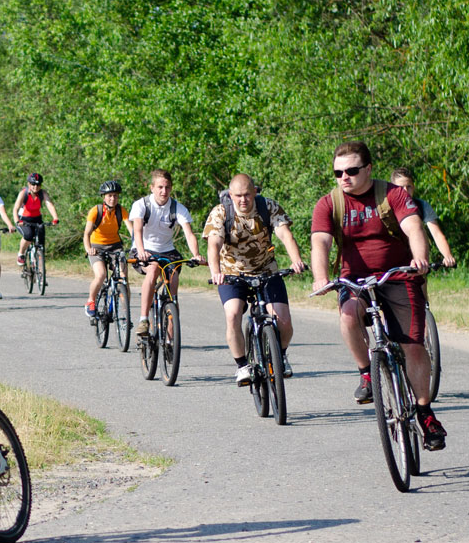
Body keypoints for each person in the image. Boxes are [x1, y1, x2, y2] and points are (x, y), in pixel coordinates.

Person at [310, 140, 447, 450]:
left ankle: (425, 413)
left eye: (351, 171)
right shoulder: (329, 204)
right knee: (348, 316)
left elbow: (414, 228)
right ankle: (366, 374)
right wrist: (321, 277)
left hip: (397, 274)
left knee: (412, 345)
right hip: (355, 279)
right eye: (338, 173)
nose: (344, 178)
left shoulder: (392, 194)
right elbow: (321, 242)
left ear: (369, 169)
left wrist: (419, 258)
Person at [204, 174, 307, 385]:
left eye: (247, 195)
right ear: (230, 195)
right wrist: (216, 272)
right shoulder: (221, 212)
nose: (243, 200)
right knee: (233, 314)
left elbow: (285, 235)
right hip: (232, 274)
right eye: (238, 196)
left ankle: (281, 356)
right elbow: (214, 244)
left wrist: (296, 260)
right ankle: (242, 365)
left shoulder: (267, 207)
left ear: (255, 192)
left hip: (266, 271)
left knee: (283, 320)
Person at [130, 169, 204, 336]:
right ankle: (143, 320)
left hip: (167, 251)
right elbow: (137, 230)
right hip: (144, 248)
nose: (164, 191)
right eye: (160, 187)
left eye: (167, 187)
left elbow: (189, 233)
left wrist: (196, 254)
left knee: (173, 282)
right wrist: (141, 251)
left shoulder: (178, 208)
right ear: (152, 188)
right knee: (153, 269)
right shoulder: (141, 205)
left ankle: (171, 336)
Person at [83, 180, 133, 316]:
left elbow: (132, 231)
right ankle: (91, 301)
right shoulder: (96, 211)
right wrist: (88, 249)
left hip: (115, 247)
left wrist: (137, 245)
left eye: (115, 195)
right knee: (101, 275)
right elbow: (86, 234)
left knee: (123, 276)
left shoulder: (121, 211)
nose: (113, 198)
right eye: (109, 195)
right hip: (96, 247)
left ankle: (126, 311)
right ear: (104, 197)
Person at [390, 167, 457, 270]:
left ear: (414, 187)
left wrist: (447, 255)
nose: (405, 191)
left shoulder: (422, 206)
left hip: (418, 260)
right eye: (401, 187)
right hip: (393, 260)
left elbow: (436, 234)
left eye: (409, 186)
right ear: (392, 189)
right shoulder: (386, 208)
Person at [10, 173, 59, 265]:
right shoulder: (23, 193)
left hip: (37, 219)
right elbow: (15, 208)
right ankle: (21, 254)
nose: (36, 186)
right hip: (23, 219)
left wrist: (55, 218)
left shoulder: (42, 193)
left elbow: (49, 205)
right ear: (29, 184)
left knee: (41, 240)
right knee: (28, 235)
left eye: (38, 184)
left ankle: (38, 259)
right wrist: (17, 221)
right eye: (33, 184)